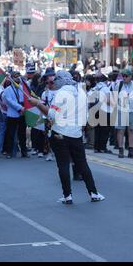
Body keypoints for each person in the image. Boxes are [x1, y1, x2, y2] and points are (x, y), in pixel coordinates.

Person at [28, 71, 105, 204]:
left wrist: (38, 104)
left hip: (60, 133)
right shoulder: (81, 92)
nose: (53, 83)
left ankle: (67, 196)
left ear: (61, 80)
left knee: (63, 165)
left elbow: (52, 115)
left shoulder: (60, 94)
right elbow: (85, 116)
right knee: (82, 164)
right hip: (76, 134)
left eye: (55, 80)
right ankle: (94, 193)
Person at [2, 71, 29, 158]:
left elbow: (26, 98)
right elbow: (9, 101)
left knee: (22, 134)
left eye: (18, 77)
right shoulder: (7, 90)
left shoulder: (22, 88)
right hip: (13, 114)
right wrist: (19, 108)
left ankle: (24, 151)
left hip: (22, 114)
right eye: (15, 77)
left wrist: (24, 108)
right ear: (11, 79)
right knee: (11, 134)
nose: (17, 79)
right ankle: (9, 152)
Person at [115, 69, 133, 159]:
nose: (124, 77)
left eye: (126, 76)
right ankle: (121, 150)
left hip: (132, 110)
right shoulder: (119, 85)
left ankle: (130, 150)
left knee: (131, 130)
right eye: (123, 76)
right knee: (120, 130)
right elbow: (114, 97)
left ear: (131, 77)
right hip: (122, 110)